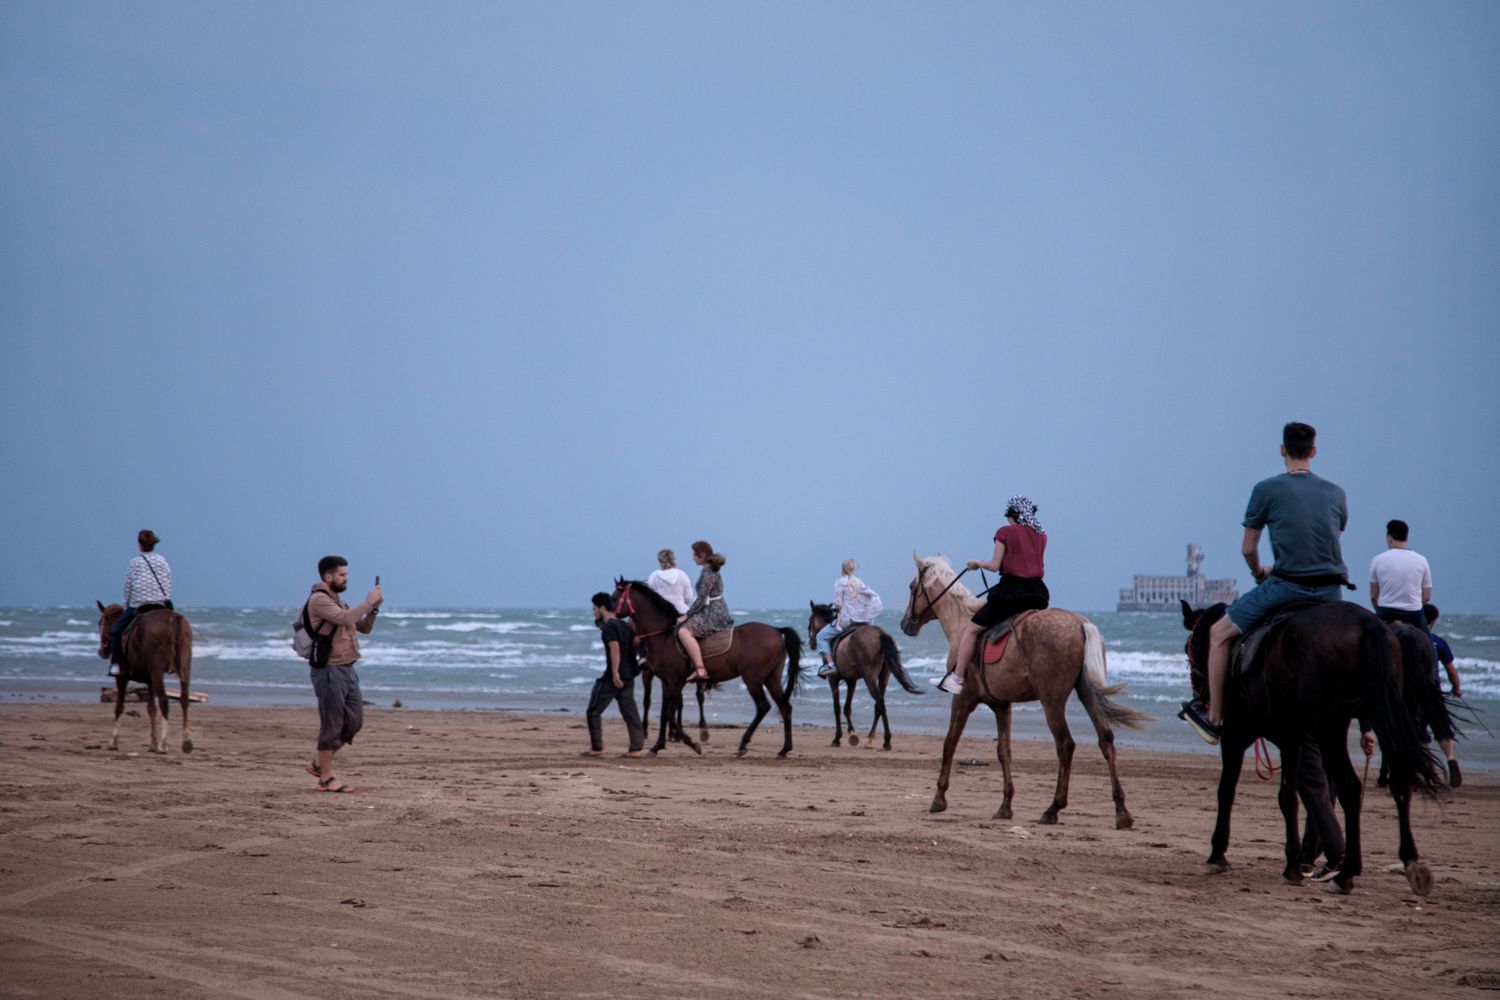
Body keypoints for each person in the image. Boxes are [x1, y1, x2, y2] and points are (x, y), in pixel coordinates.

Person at [1179, 422, 1349, 745]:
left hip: (1287, 584)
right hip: (1331, 591)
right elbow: (1328, 538)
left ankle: (1214, 717)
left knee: (1217, 634)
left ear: (1283, 450)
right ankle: (1366, 728)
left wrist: (1260, 572)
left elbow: (1247, 549)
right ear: (1313, 452)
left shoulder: (1266, 490)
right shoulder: (1337, 493)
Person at [931, 496, 1049, 695]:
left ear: (1013, 516)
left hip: (1012, 593)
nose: (1008, 522)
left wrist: (977, 564)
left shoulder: (1005, 532)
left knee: (970, 630)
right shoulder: (1041, 535)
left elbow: (994, 566)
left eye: (1008, 518)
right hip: (1038, 594)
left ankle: (956, 679)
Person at [303, 555, 381, 793]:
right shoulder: (319, 600)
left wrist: (374, 608)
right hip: (328, 671)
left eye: (346, 574)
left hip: (347, 669)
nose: (346, 578)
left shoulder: (341, 601)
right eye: (342, 575)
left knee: (354, 722)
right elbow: (345, 618)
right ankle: (325, 778)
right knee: (332, 723)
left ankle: (319, 763)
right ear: (328, 577)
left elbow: (363, 627)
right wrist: (367, 602)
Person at [584, 592, 645, 758]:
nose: (594, 612)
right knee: (630, 712)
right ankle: (636, 748)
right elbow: (636, 642)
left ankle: (597, 747)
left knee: (593, 710)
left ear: (602, 608)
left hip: (615, 676)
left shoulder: (610, 627)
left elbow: (615, 648)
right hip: (629, 675)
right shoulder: (624, 625)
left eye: (595, 609)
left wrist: (615, 673)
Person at [109, 529, 173, 677]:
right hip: (161, 601)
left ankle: (116, 664)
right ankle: (172, 661)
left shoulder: (135, 562)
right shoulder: (162, 560)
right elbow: (168, 579)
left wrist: (126, 605)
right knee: (173, 629)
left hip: (139, 603)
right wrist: (166, 598)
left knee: (116, 632)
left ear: (139, 544)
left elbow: (128, 586)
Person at [817, 558, 883, 678]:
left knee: (821, 636)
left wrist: (838, 608)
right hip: (865, 621)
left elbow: (837, 602)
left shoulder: (840, 582)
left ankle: (831, 665)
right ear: (855, 569)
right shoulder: (860, 583)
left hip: (848, 621)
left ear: (842, 569)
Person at [678, 540, 732, 683]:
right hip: (711, 608)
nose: (692, 557)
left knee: (684, 632)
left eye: (694, 555)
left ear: (702, 554)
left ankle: (700, 668)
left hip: (713, 611)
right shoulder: (708, 570)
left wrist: (687, 615)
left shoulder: (709, 572)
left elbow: (702, 598)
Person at [1424, 603, 1463, 787]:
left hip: (1413, 693)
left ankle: (1428, 769)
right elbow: (1451, 671)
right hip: (1434, 690)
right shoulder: (1438, 642)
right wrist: (1456, 688)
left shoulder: (1408, 639)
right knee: (1442, 728)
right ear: (1434, 621)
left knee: (1418, 732)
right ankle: (1450, 758)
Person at [1370, 519, 1432, 633]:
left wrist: (1379, 610)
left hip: (1386, 612)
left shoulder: (1377, 560)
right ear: (1406, 537)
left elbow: (1374, 597)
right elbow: (1427, 596)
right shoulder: (1421, 560)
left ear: (1389, 538)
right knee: (1429, 644)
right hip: (1413, 613)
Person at [647, 548, 695, 614]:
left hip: (661, 613)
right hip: (681, 611)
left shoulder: (654, 576)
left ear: (660, 561)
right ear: (673, 559)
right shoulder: (682, 574)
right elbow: (688, 597)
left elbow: (650, 597)